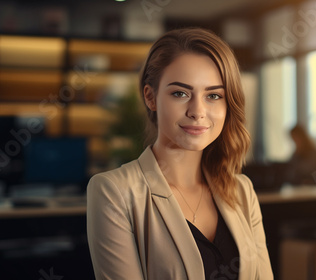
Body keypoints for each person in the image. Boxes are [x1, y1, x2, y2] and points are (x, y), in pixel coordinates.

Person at [87, 28, 273, 280]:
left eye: (213, 96)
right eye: (180, 93)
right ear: (151, 97)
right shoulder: (114, 192)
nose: (198, 111)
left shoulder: (242, 190)